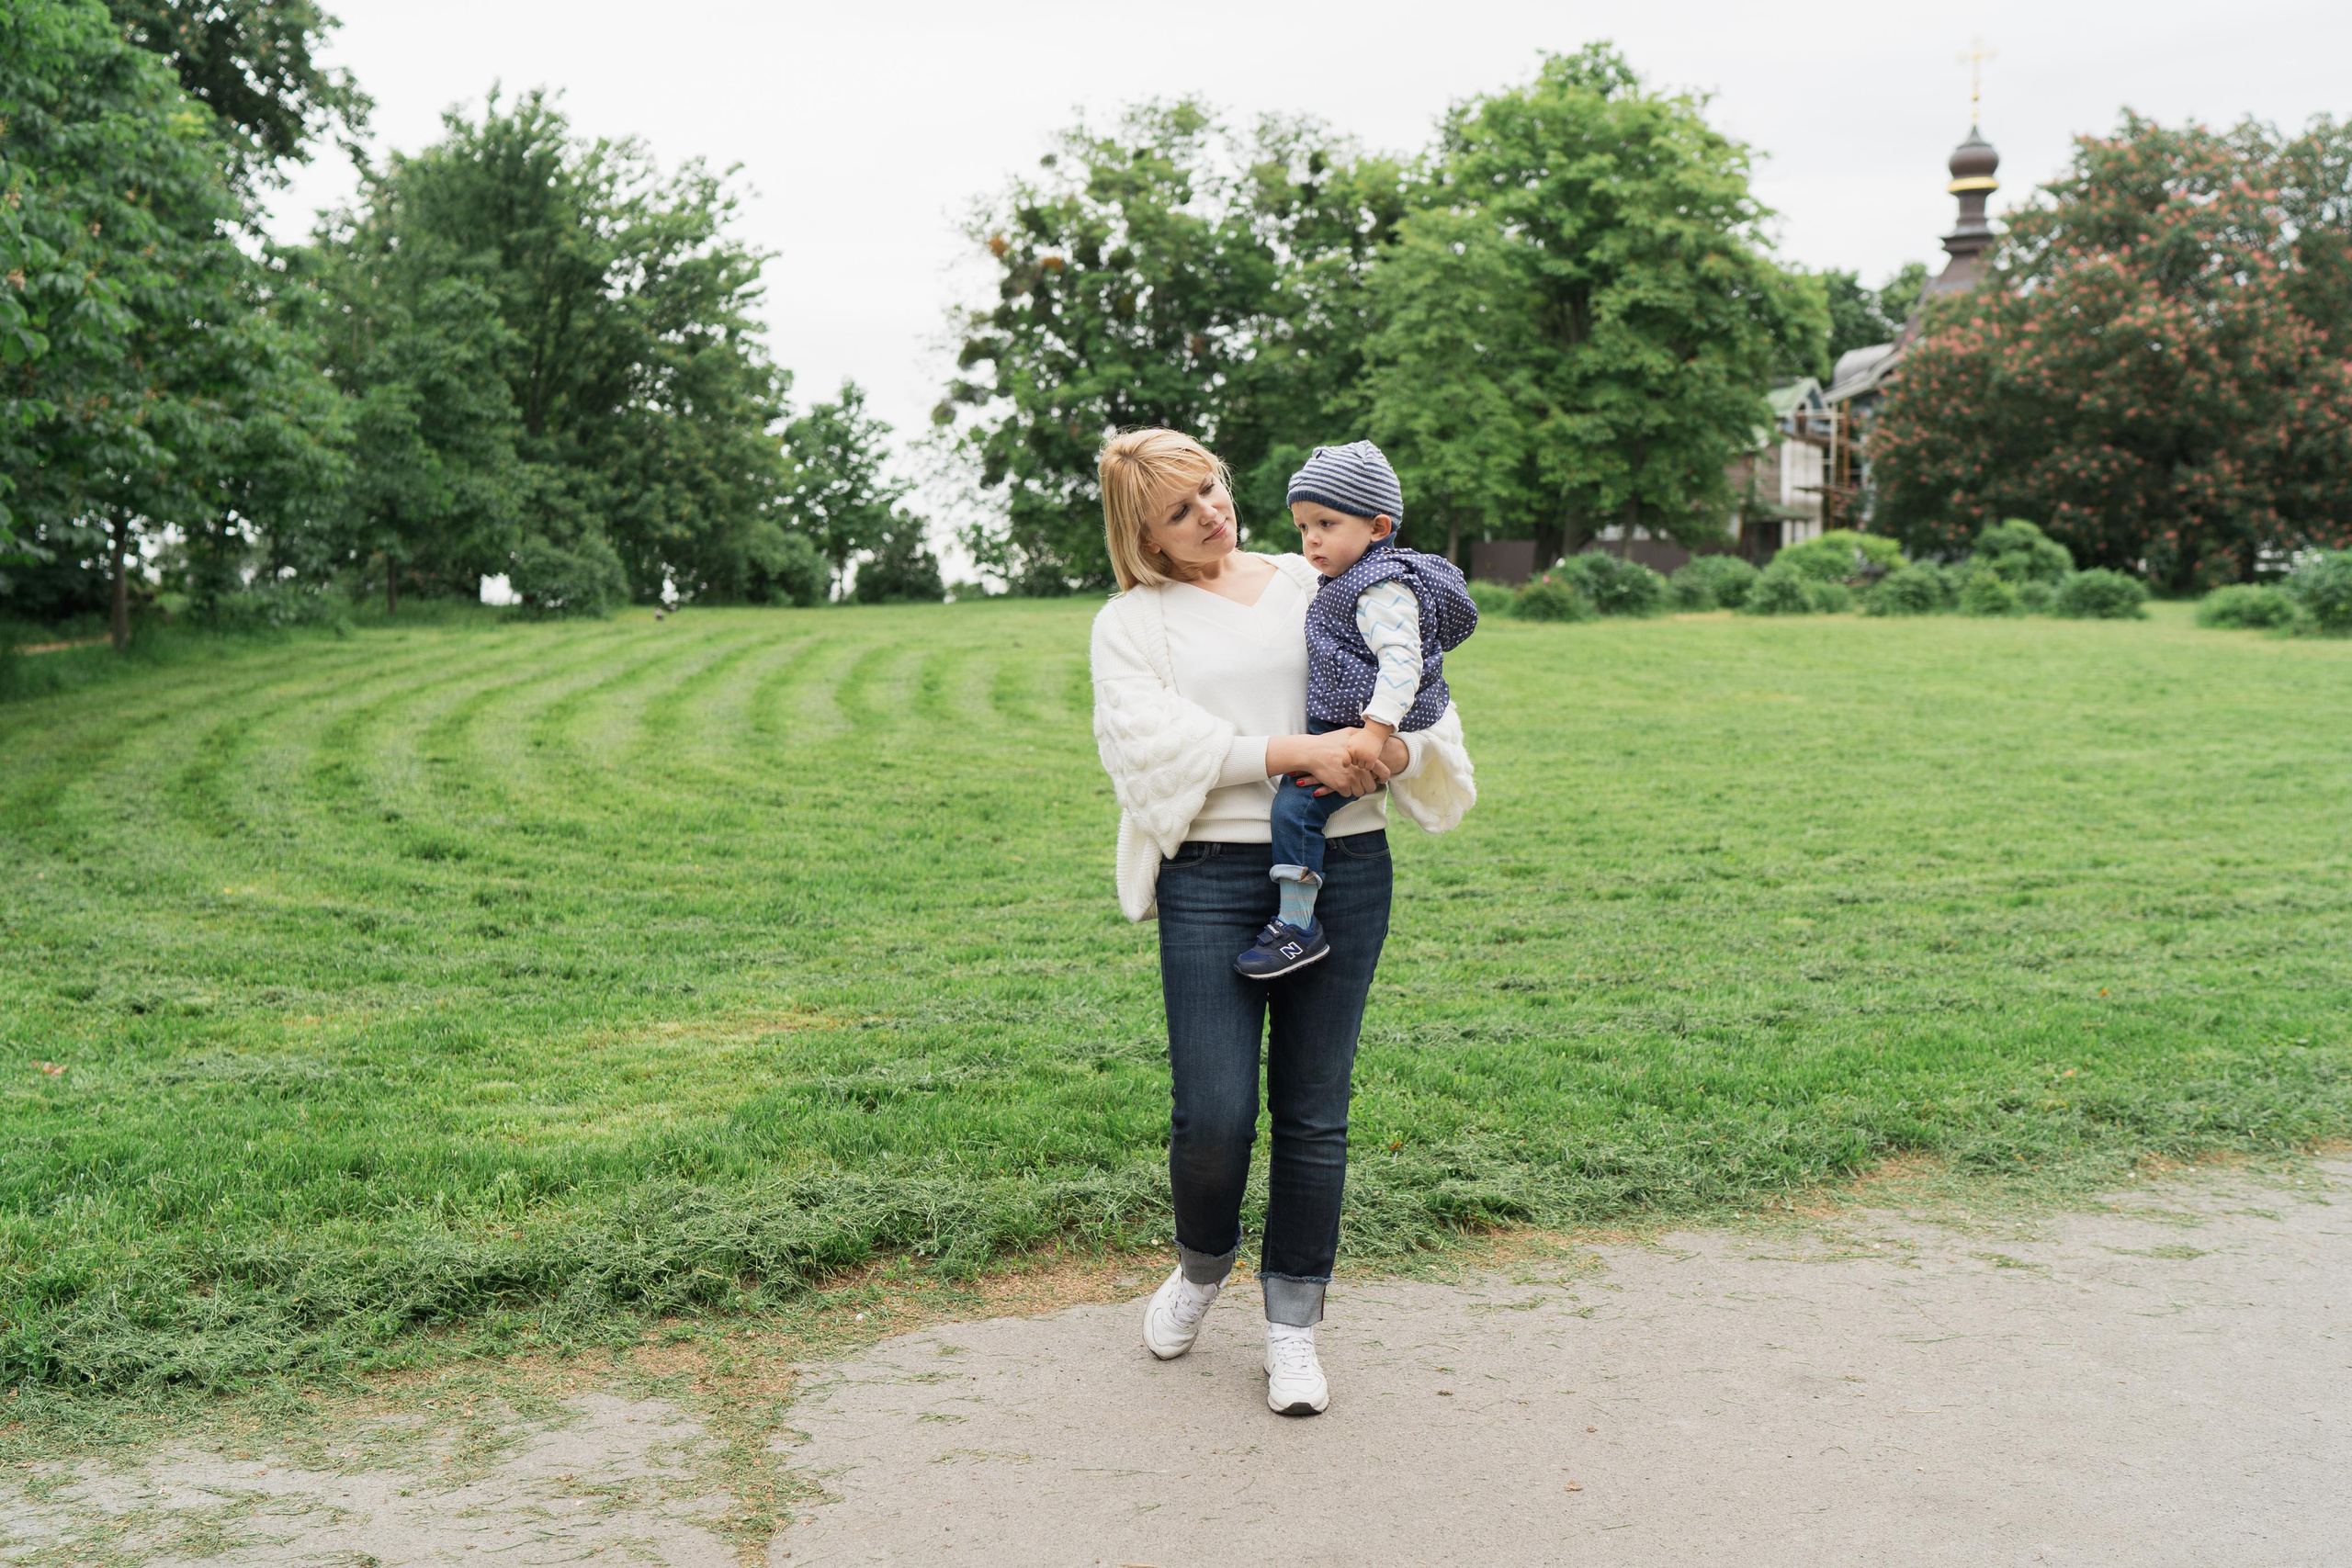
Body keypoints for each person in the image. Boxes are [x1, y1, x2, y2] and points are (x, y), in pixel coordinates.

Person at [1088, 428, 1476, 1416]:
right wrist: (1299, 747)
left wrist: (1380, 758)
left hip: (1344, 862)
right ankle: (1201, 1265)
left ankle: (1292, 1327)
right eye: (1179, 511)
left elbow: (1420, 692)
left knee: (1315, 1109)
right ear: (1144, 535)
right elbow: (1149, 745)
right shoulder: (1134, 624)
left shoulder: (1320, 569)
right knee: (1212, 1113)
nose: (1211, 513)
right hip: (1214, 875)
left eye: (1211, 488)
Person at [1235, 441, 1477, 980]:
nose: (1312, 539)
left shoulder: (1381, 588)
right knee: (1298, 808)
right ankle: (1296, 921)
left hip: (1359, 731)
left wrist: (1373, 733)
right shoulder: (1350, 579)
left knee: (1296, 810)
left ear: (1377, 526)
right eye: (1302, 527)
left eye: (1326, 522)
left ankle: (1298, 927)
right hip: (1349, 725)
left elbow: (1401, 663)